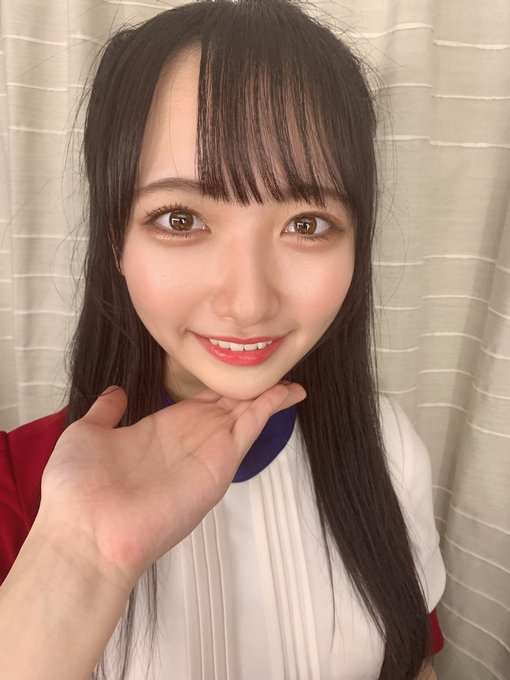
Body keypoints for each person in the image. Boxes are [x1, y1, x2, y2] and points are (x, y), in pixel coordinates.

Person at [0, 1, 446, 678]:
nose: (248, 303)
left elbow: (415, 665)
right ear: (115, 239)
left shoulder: (388, 449)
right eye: (180, 218)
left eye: (306, 224)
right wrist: (79, 553)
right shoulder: (18, 486)